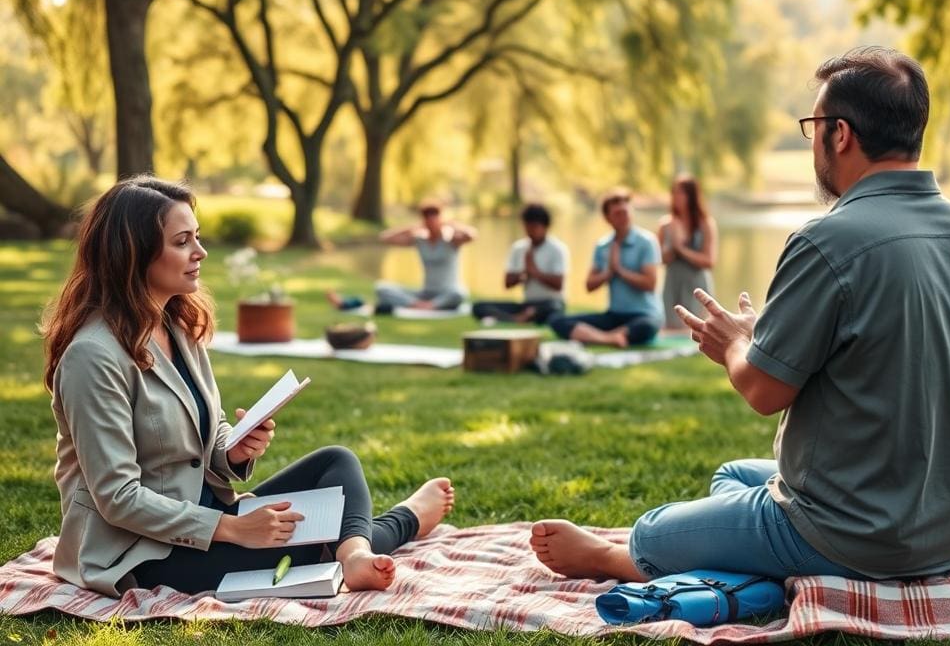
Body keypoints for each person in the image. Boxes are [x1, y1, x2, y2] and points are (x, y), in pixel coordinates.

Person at [529, 47, 950, 584]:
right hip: (942, 529)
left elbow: (764, 390)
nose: (815, 143)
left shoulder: (828, 239)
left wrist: (734, 344)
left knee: (651, 532)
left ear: (841, 134)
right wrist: (769, 337)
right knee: (734, 473)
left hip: (852, 534)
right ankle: (748, 546)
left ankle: (612, 560)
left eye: (815, 126)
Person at [42, 176, 455, 598]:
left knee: (336, 463)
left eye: (196, 237)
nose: (200, 252)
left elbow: (209, 429)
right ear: (132, 255)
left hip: (211, 516)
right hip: (139, 552)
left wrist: (232, 449)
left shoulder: (176, 326)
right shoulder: (92, 357)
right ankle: (404, 521)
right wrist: (233, 528)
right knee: (311, 544)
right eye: (182, 241)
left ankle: (353, 555)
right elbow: (118, 497)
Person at [549, 188, 663, 348]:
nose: (623, 217)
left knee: (647, 327)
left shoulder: (647, 242)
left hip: (643, 315)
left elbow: (650, 284)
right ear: (607, 218)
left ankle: (598, 336)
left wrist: (619, 270)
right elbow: (589, 285)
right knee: (557, 320)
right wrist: (608, 272)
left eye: (626, 211)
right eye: (617, 213)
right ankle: (611, 338)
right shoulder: (603, 246)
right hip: (614, 315)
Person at [327, 200, 476, 315]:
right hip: (424, 294)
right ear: (423, 220)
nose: (431, 223)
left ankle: (429, 306)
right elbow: (385, 238)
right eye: (427, 219)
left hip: (446, 294)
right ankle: (417, 305)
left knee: (460, 293)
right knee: (382, 288)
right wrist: (413, 228)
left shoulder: (452, 240)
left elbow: (472, 235)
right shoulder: (420, 241)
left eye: (435, 218)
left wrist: (450, 224)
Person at [471, 203, 568, 325]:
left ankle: (522, 316)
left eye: (534, 227)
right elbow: (507, 283)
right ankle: (519, 318)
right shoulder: (519, 248)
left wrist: (535, 272)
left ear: (545, 227)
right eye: (527, 227)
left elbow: (558, 284)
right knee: (478, 306)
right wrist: (523, 274)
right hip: (527, 304)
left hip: (550, 302)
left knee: (554, 309)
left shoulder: (557, 249)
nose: (530, 231)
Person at [658, 175, 717, 331]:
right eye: (674, 193)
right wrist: (672, 247)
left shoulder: (705, 224)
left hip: (696, 284)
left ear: (691, 196)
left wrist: (681, 249)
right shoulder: (666, 224)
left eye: (681, 193)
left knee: (696, 327)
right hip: (672, 282)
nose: (676, 197)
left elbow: (709, 261)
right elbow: (660, 259)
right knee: (671, 325)